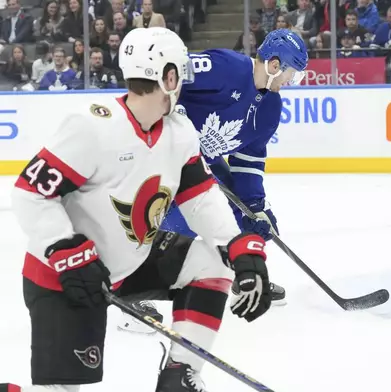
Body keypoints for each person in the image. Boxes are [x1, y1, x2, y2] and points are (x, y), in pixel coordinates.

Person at [0, 27, 273, 392]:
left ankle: (180, 376)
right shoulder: (92, 127)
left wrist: (236, 245)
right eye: (180, 76)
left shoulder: (179, 131)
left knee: (210, 263)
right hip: (66, 279)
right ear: (169, 77)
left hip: (132, 261)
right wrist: (66, 249)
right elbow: (30, 193)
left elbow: (200, 195)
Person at [117, 27, 308, 334]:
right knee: (167, 217)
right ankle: (132, 293)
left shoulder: (271, 108)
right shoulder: (227, 67)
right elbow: (171, 71)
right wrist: (169, 111)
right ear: (274, 64)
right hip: (157, 152)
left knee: (245, 216)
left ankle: (243, 274)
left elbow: (249, 159)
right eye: (292, 74)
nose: (291, 82)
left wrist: (254, 205)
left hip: (197, 161)